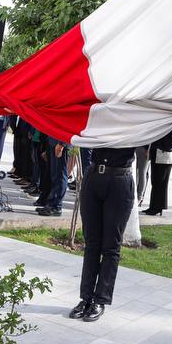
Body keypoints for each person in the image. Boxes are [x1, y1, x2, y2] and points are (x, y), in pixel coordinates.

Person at [68, 138, 141, 323]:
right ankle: (86, 298)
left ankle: (100, 300)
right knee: (91, 244)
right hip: (93, 176)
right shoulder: (102, 110)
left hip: (120, 181)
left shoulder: (137, 114)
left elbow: (163, 140)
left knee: (111, 246)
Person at [143, 116, 172, 216]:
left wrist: (159, 144)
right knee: (155, 181)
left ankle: (158, 207)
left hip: (165, 156)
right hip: (156, 153)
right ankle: (153, 206)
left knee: (161, 183)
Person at [37, 136, 69, 217]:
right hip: (53, 142)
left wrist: (62, 143)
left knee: (60, 176)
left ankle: (57, 206)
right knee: (55, 176)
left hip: (61, 143)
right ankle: (51, 204)